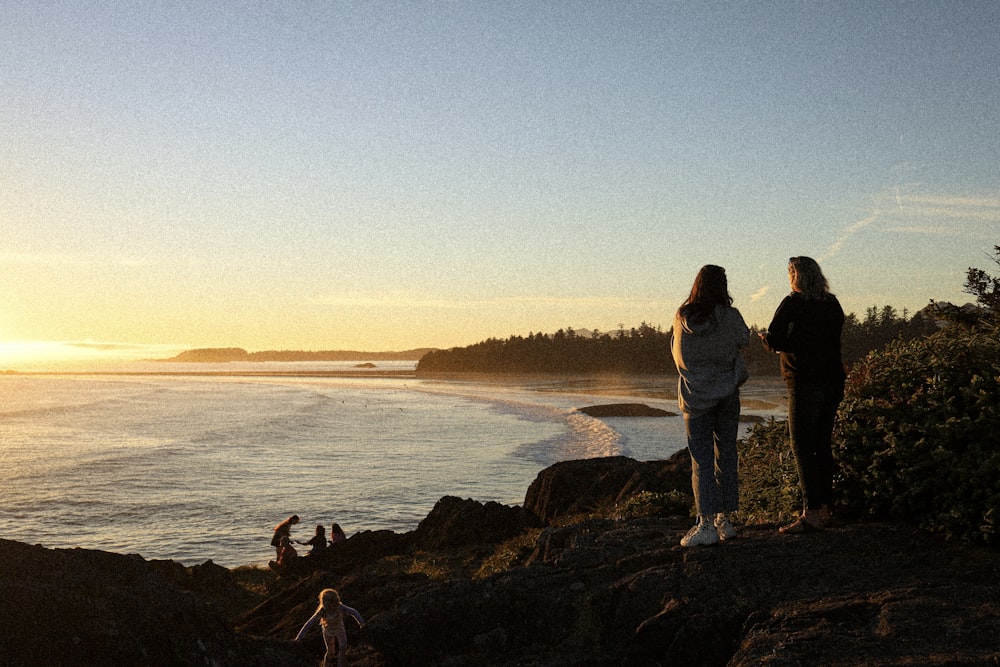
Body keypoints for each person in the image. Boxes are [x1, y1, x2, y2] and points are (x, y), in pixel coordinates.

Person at [760, 256, 847, 533]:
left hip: (804, 380)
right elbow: (830, 338)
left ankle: (810, 513)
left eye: (790, 273)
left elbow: (777, 339)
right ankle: (825, 509)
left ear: (795, 276)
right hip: (833, 379)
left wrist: (767, 341)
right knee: (821, 445)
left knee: (801, 447)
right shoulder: (832, 303)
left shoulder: (793, 303)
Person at [670, 265, 750, 547]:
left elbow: (679, 356)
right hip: (728, 393)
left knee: (701, 461)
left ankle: (704, 523)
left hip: (695, 398)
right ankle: (725, 521)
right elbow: (745, 339)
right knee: (726, 453)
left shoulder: (682, 317)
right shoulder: (730, 316)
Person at [294, 588, 365, 667]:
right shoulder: (322, 611)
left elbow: (353, 612)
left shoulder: (339, 607)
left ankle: (340, 664)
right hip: (328, 632)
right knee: (331, 651)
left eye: (326, 601)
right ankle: (325, 664)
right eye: (323, 601)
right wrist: (299, 637)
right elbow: (309, 623)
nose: (324, 604)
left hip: (339, 630)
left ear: (333, 601)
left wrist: (361, 623)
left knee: (343, 647)